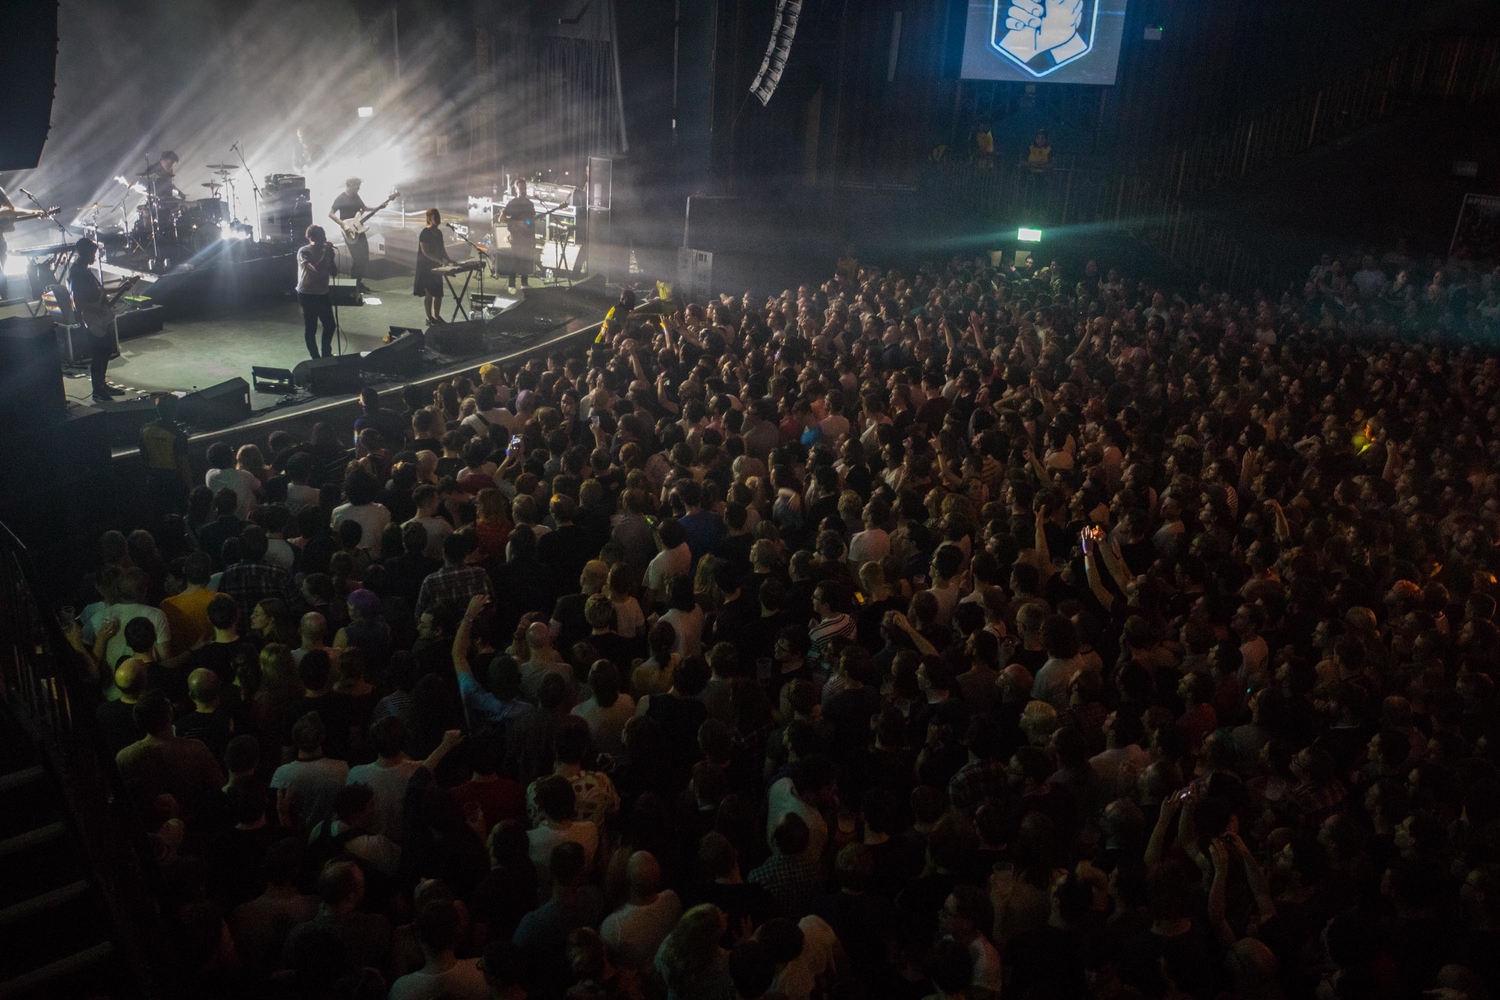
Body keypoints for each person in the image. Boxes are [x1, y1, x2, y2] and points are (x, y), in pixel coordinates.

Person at [68, 237, 128, 400]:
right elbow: (78, 302)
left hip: (98, 316)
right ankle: (97, 389)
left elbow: (98, 293)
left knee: (105, 351)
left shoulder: (85, 270)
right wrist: (99, 310)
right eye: (92, 254)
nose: (95, 257)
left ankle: (102, 385)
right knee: (98, 353)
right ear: (84, 253)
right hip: (91, 318)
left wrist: (120, 288)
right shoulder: (77, 273)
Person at [296, 224, 339, 359]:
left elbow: (334, 273)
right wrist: (325, 255)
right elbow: (317, 269)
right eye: (322, 237)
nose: (324, 239)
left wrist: (331, 258)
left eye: (325, 236)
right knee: (311, 327)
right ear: (312, 238)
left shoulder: (324, 252)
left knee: (330, 325)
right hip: (307, 294)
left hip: (322, 292)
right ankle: (315, 357)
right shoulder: (304, 251)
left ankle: (326, 353)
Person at [328, 177, 371, 291]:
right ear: (350, 185)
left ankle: (357, 282)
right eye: (357, 186)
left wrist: (380, 207)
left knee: (365, 257)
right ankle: (354, 284)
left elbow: (364, 208)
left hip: (359, 229)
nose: (359, 188)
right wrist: (343, 225)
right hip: (349, 231)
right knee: (357, 258)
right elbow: (331, 214)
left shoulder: (356, 196)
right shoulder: (341, 198)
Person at [415, 207, 454, 326]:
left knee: (438, 293)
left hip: (437, 267)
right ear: (429, 219)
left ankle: (437, 316)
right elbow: (425, 252)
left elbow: (442, 249)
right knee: (429, 293)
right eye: (435, 217)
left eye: (438, 217)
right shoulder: (425, 233)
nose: (437, 219)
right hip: (426, 267)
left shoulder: (439, 233)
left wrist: (449, 259)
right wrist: (440, 261)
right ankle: (429, 318)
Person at [500, 178, 537, 292]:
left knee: (526, 260)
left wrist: (533, 236)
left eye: (524, 188)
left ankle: (524, 283)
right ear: (516, 189)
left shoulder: (530, 204)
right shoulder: (513, 204)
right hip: (516, 236)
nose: (523, 190)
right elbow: (502, 218)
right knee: (515, 260)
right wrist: (517, 223)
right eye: (521, 188)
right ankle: (511, 284)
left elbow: (532, 221)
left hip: (527, 235)